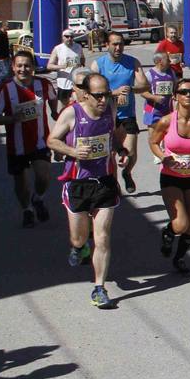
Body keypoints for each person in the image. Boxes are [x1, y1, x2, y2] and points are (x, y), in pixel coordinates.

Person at [48, 72, 128, 309]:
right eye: (98, 96)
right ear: (86, 95)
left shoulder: (110, 110)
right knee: (79, 237)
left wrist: (121, 151)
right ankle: (79, 247)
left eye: (106, 94)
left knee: (102, 237)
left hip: (104, 182)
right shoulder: (72, 113)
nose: (103, 100)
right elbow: (52, 140)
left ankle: (99, 288)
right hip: (77, 184)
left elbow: (112, 137)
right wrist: (73, 152)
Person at [148, 77, 190, 273]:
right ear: (175, 96)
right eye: (183, 92)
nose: (188, 95)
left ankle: (179, 258)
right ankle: (168, 233)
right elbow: (153, 142)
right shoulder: (166, 121)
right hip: (171, 178)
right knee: (180, 224)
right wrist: (163, 157)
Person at [0, 49, 57, 227]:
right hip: (16, 145)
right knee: (21, 183)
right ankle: (27, 210)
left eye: (27, 66)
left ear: (33, 67)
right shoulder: (5, 89)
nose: (23, 69)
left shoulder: (43, 84)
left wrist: (54, 111)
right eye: (19, 66)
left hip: (40, 141)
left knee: (43, 176)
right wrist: (12, 119)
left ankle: (38, 198)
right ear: (13, 67)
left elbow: (52, 98)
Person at [91, 32, 145, 193]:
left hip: (127, 115)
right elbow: (91, 92)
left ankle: (127, 172)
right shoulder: (98, 65)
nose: (118, 47)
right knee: (111, 153)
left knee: (130, 152)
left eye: (121, 44)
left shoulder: (132, 62)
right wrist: (113, 93)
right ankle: (114, 185)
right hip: (107, 115)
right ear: (107, 45)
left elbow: (145, 85)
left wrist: (130, 89)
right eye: (114, 44)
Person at [140, 51, 177, 143]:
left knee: (167, 133)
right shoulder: (149, 74)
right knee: (153, 133)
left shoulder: (171, 73)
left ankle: (164, 148)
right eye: (167, 59)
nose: (170, 61)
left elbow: (176, 87)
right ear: (160, 61)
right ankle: (154, 149)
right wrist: (154, 98)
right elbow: (142, 92)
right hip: (151, 108)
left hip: (167, 109)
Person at [47, 29, 85, 106]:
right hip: (63, 83)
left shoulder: (78, 47)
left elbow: (82, 58)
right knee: (65, 106)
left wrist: (81, 64)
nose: (69, 38)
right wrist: (63, 66)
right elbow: (49, 66)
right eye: (67, 36)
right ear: (63, 37)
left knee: (78, 104)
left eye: (71, 37)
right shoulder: (58, 48)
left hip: (75, 82)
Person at [0, 22, 13, 87]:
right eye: (7, 26)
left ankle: (6, 84)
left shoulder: (5, 33)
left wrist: (9, 51)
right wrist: (0, 58)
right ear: (3, 26)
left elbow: (5, 45)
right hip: (1, 57)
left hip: (6, 55)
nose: (8, 27)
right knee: (5, 72)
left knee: (9, 71)